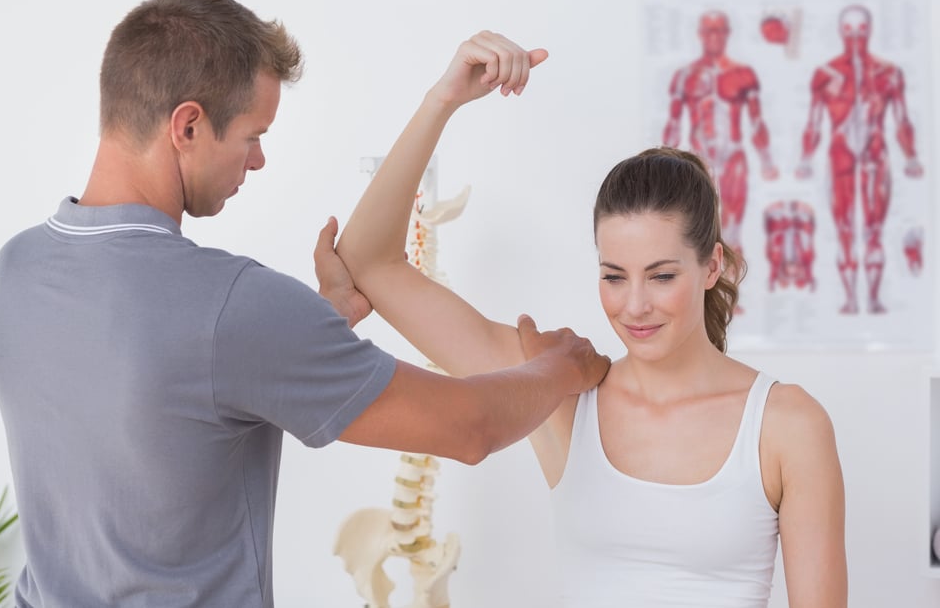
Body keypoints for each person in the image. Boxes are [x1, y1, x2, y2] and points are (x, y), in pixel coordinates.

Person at [0, 0, 609, 608]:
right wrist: (562, 367)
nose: (257, 161)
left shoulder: (15, 271)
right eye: (253, 135)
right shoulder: (234, 307)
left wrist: (322, 322)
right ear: (188, 125)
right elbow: (470, 428)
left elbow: (160, 397)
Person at [326, 31, 847, 607]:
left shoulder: (787, 425)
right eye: (614, 275)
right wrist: (440, 101)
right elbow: (371, 263)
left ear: (712, 265)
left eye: (663, 275)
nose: (634, 305)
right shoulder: (560, 392)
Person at [796, 3, 923, 315]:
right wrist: (806, 158)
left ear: (870, 31)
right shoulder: (826, 75)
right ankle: (851, 299)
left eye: (862, 30)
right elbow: (813, 122)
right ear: (841, 32)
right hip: (840, 155)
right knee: (844, 230)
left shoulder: (889, 74)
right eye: (849, 30)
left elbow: (902, 119)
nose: (856, 37)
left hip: (875, 156)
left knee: (873, 232)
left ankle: (875, 299)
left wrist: (910, 156)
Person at [663, 9, 779, 260]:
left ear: (727, 34)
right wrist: (659, 167)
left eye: (719, 31)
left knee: (733, 233)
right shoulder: (684, 77)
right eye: (708, 31)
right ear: (700, 35)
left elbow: (757, 121)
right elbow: (673, 124)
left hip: (733, 159)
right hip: (698, 163)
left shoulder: (742, 75)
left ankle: (731, 298)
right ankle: (703, 299)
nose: (714, 37)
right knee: (696, 234)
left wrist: (767, 161)